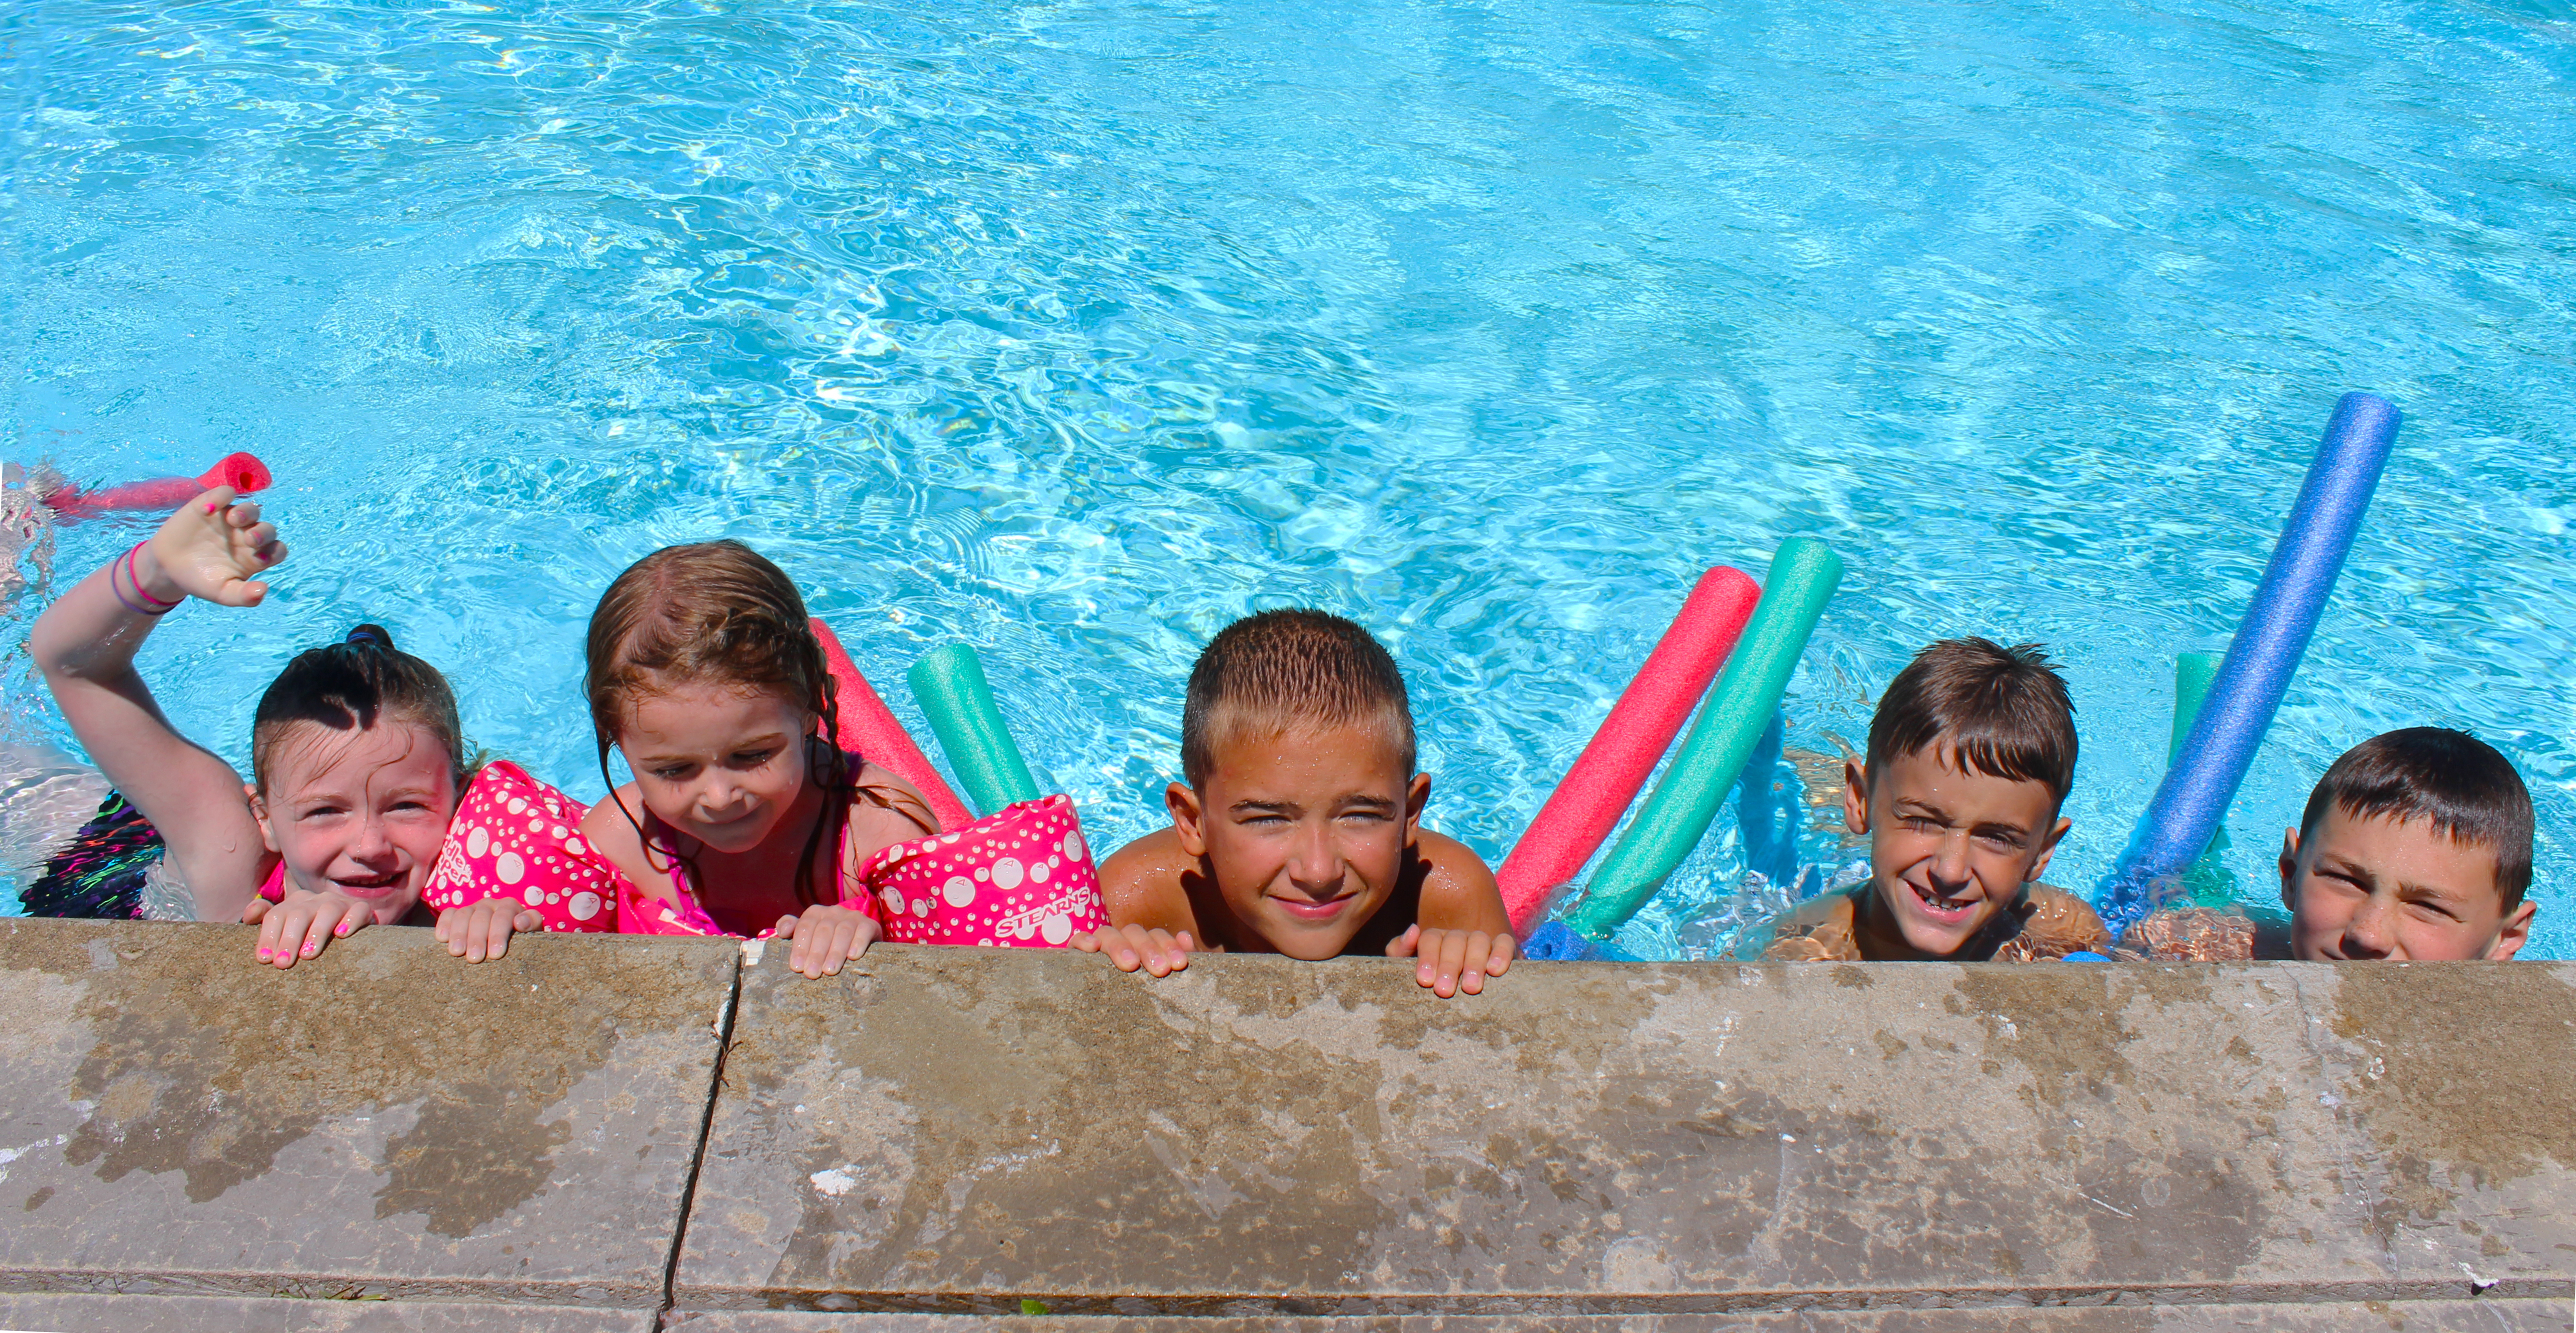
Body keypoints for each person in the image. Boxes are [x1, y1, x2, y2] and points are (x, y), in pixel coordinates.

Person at [27, 489, 530, 968]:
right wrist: (157, 571)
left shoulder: (478, 895)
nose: (370, 845)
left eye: (406, 805)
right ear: (263, 817)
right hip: (105, 870)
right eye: (325, 810)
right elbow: (73, 666)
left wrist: (506, 925)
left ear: (463, 803)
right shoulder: (236, 856)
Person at [1074, 608, 1515, 997]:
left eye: (1360, 815)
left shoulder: (1450, 899)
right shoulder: (1136, 900)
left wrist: (1456, 978)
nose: (1319, 872)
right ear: (1192, 822)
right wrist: (1108, 964)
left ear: (1411, 814)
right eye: (1267, 819)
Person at [575, 540, 938, 979]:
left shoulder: (881, 828)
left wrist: (877, 935)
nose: (719, 796)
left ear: (809, 708)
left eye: (751, 755)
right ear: (615, 737)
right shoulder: (613, 845)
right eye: (673, 769)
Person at [1740, 637, 2108, 962]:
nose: (1950, 871)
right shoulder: (1799, 948)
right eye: (1923, 821)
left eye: (1996, 837)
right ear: (1860, 801)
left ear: (2042, 851)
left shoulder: (2065, 928)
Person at [2120, 727, 2536, 962]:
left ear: (2508, 938)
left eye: (2429, 907)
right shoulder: (2209, 948)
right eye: (2345, 880)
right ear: (2290, 874)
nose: (2368, 935)